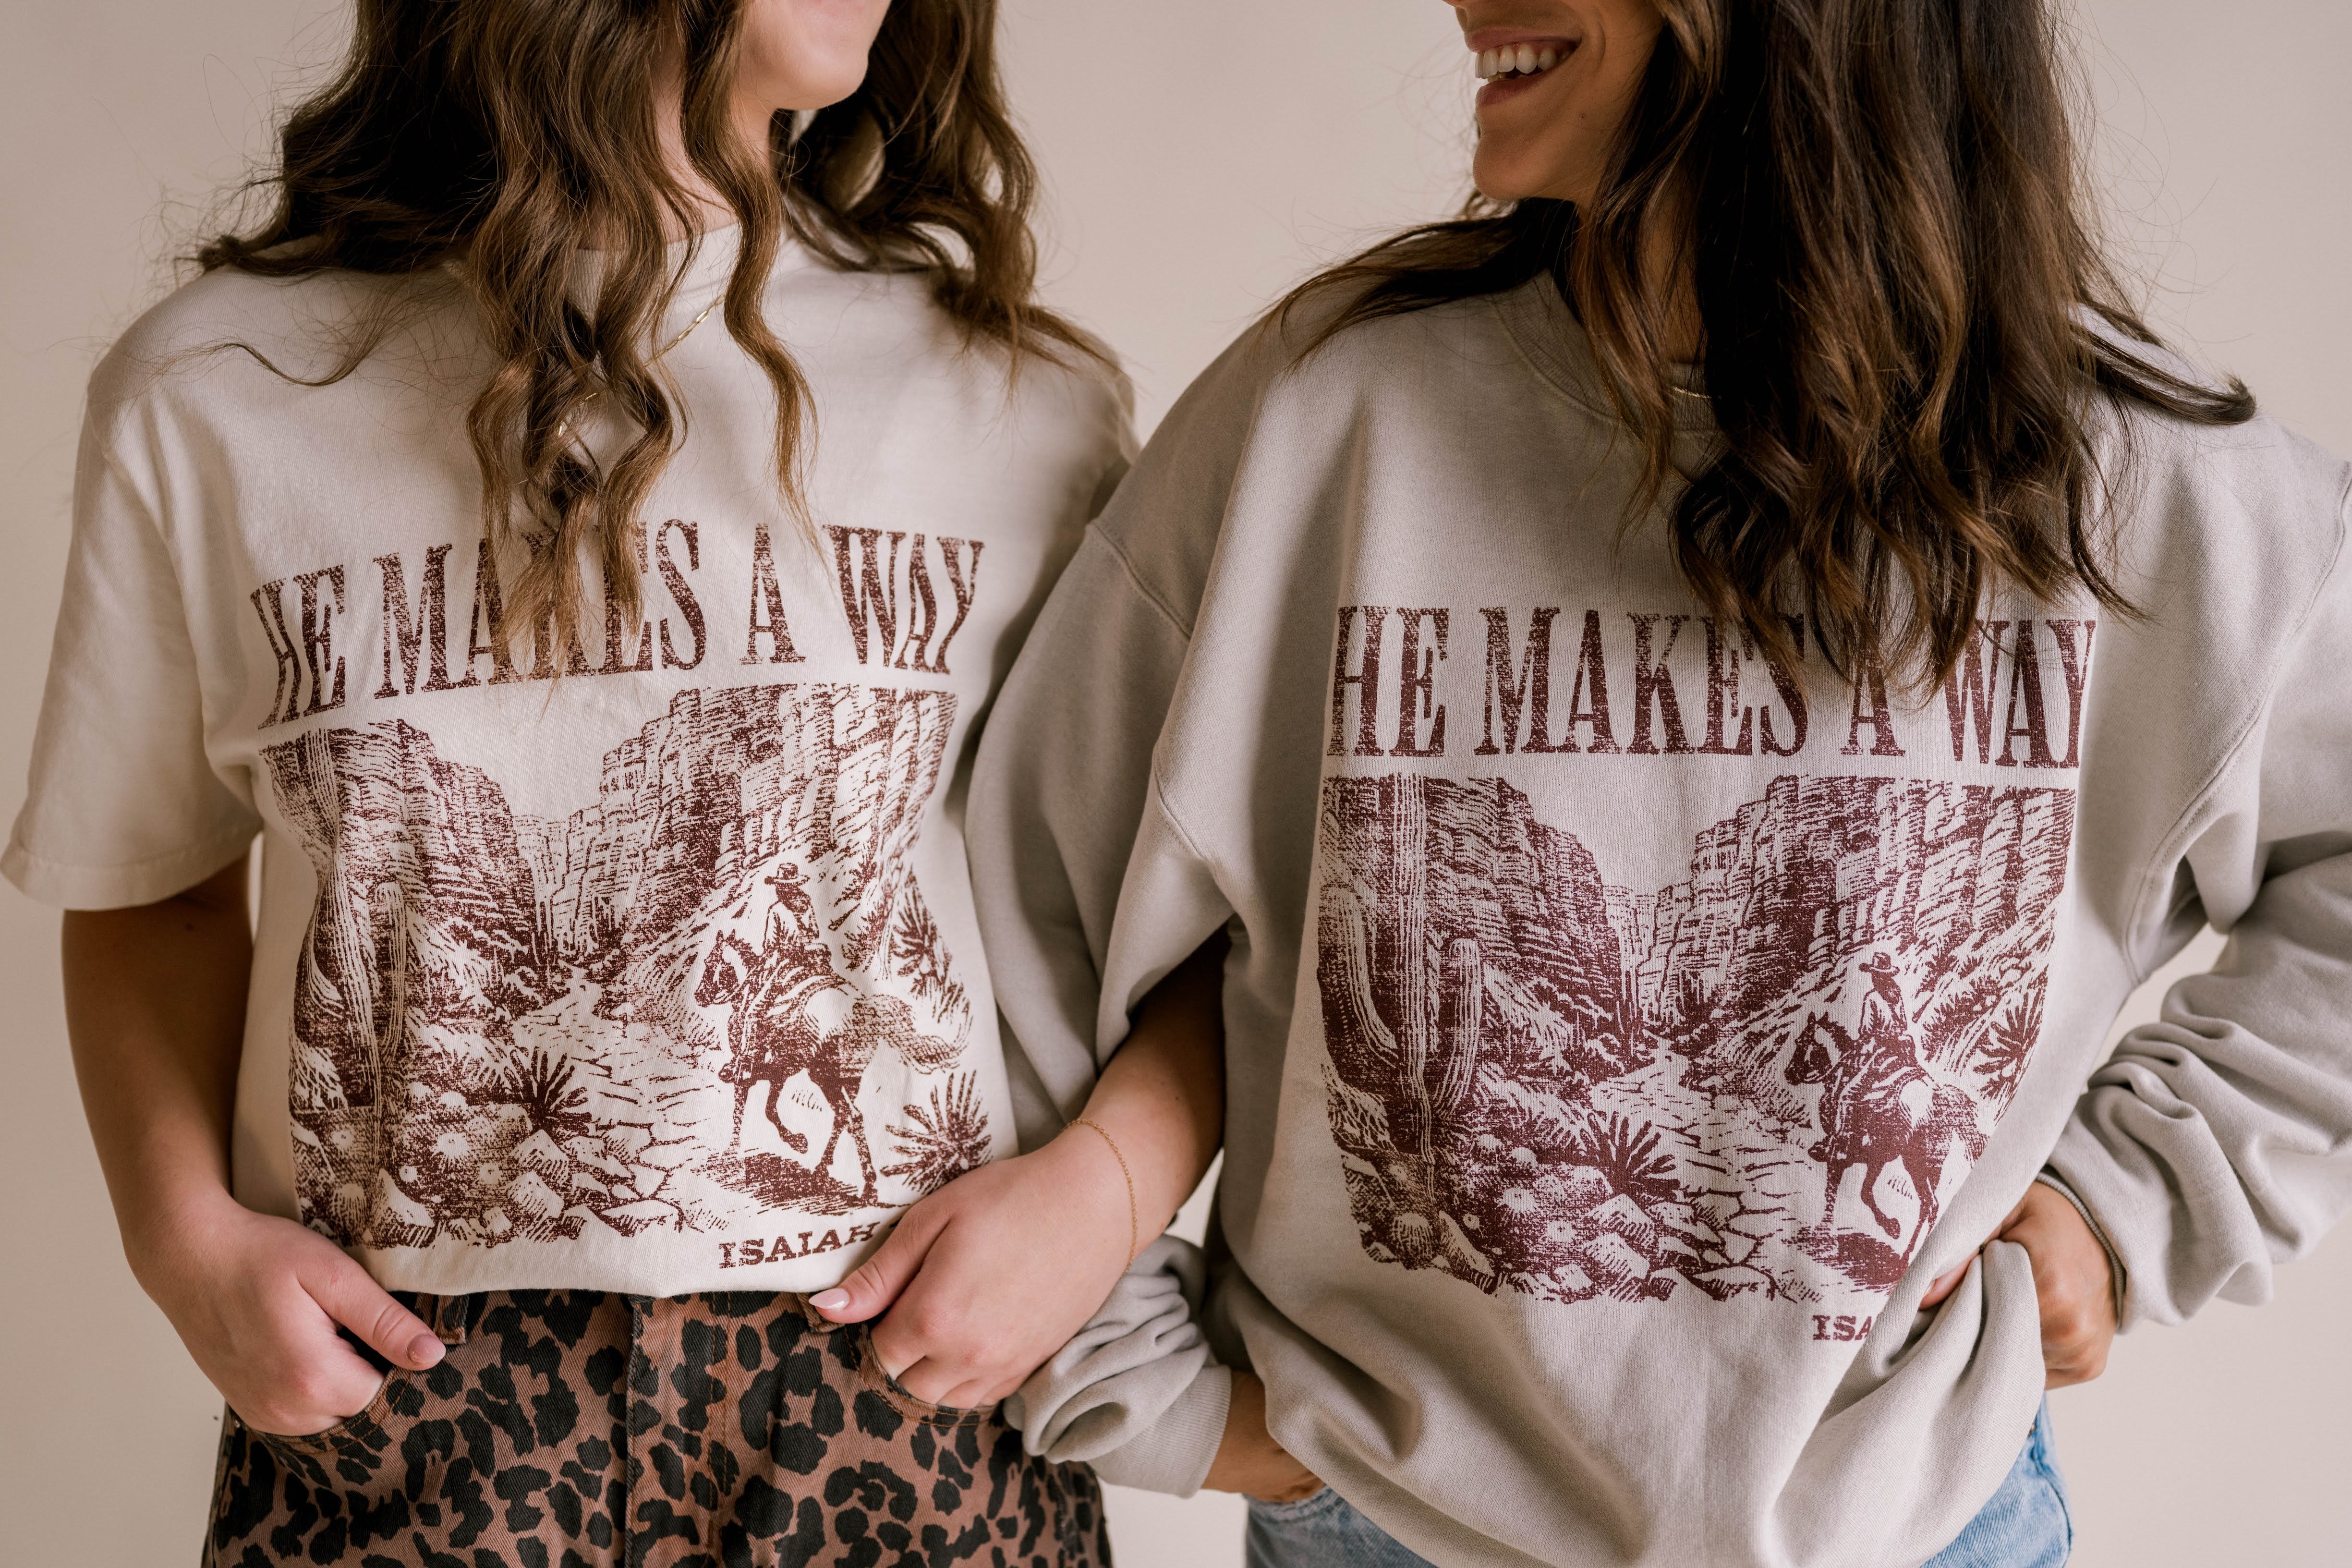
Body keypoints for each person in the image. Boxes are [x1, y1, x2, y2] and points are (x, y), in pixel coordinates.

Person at [934, 0, 2352, 1563]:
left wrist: (2127, 1206)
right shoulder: (1332, 414)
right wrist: (1157, 1392)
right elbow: (1026, 898)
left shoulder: (2139, 493)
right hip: (1388, 1534)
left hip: (1921, 1530)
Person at [3, 0, 1224, 1561]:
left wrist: (1103, 1198)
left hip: (901, 1394)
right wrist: (183, 1243)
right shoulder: (215, 394)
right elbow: (149, 884)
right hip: (404, 1416)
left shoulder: (1017, 404)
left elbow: (1201, 922)